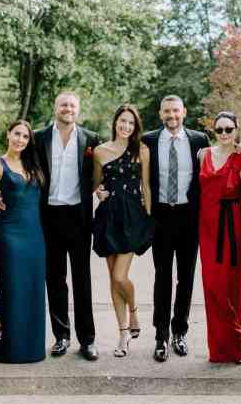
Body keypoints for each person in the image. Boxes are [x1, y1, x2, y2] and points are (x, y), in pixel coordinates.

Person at [142, 95, 209, 362]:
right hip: (160, 216)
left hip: (188, 216)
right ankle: (161, 336)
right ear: (160, 114)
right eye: (167, 111)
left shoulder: (199, 140)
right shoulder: (148, 140)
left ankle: (180, 331)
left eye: (176, 111)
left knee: (186, 277)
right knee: (162, 276)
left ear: (184, 112)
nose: (172, 116)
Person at [34, 91, 101, 361]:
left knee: (82, 280)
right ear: (55, 107)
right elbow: (23, 168)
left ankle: (88, 340)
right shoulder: (39, 138)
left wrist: (102, 191)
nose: (68, 109)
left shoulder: (90, 139)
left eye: (72, 105)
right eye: (63, 104)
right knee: (55, 279)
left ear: (78, 110)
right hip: (48, 216)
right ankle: (61, 336)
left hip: (79, 216)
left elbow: (101, 172)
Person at [92, 104, 154, 358]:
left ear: (135, 126)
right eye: (122, 121)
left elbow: (146, 186)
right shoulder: (99, 151)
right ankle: (123, 333)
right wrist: (98, 191)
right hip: (108, 216)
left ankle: (134, 311)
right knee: (112, 279)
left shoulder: (142, 150)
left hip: (132, 216)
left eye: (130, 122)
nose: (126, 126)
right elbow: (96, 183)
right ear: (115, 122)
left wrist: (149, 218)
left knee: (120, 276)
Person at [0, 120, 47, 363]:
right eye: (17, 134)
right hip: (9, 234)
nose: (20, 139)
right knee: (11, 289)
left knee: (33, 288)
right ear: (8, 135)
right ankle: (10, 349)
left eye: (25, 136)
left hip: (34, 234)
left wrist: (7, 195)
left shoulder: (33, 164)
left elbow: (21, 191)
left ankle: (32, 348)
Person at [197, 111, 241, 364]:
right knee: (211, 287)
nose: (223, 135)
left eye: (228, 129)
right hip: (207, 227)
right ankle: (219, 349)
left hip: (231, 229)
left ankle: (236, 345)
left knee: (230, 287)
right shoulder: (203, 155)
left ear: (237, 130)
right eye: (219, 130)